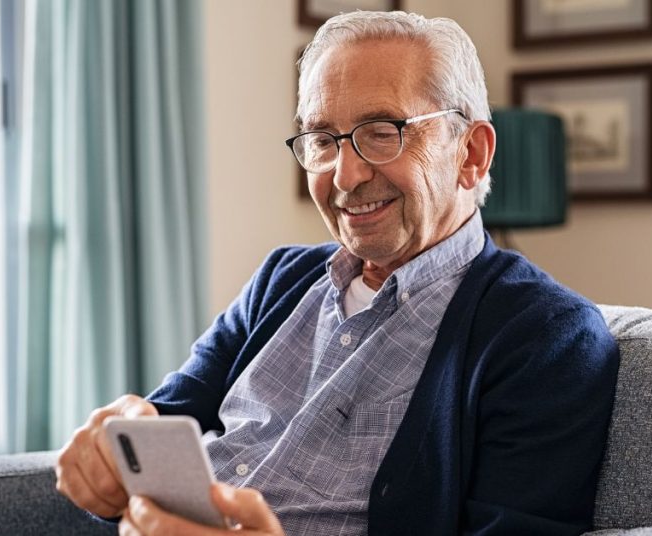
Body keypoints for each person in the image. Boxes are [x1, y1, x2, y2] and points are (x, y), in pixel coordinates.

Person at [55, 10, 619, 536]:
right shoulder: (282, 278)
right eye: (323, 139)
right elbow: (168, 416)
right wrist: (120, 436)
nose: (345, 175)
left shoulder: (548, 337)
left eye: (381, 131)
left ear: (470, 153)